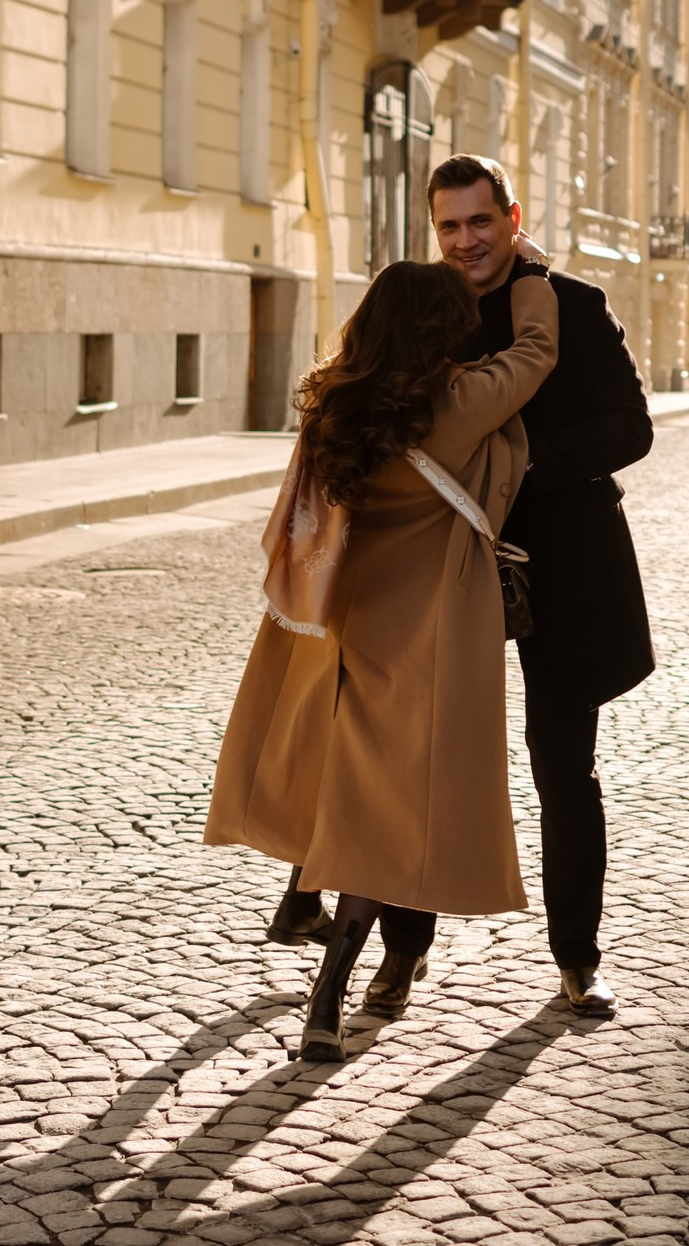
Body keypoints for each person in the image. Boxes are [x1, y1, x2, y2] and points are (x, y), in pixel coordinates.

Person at [269, 154, 655, 1019]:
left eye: (481, 222)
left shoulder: (574, 307)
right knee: (420, 762)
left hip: (563, 566)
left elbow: (629, 428)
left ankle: (576, 959)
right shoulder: (424, 313)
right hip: (438, 575)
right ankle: (403, 954)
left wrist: (515, 477)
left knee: (564, 766)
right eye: (449, 226)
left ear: (512, 218)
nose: (466, 241)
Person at [206, 256, 559, 1060]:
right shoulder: (457, 404)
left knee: (339, 784)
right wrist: (532, 272)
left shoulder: (336, 402)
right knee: (382, 820)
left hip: (338, 626)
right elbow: (536, 351)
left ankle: (300, 904)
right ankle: (328, 998)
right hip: (423, 636)